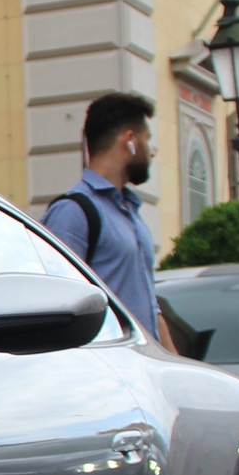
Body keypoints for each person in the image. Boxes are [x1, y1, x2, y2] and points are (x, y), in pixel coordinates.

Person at [43, 91, 176, 351]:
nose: (151, 153)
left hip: (145, 367)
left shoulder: (131, 213)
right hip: (108, 370)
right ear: (130, 140)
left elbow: (149, 304)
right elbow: (56, 303)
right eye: (148, 141)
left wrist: (175, 363)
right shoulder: (73, 212)